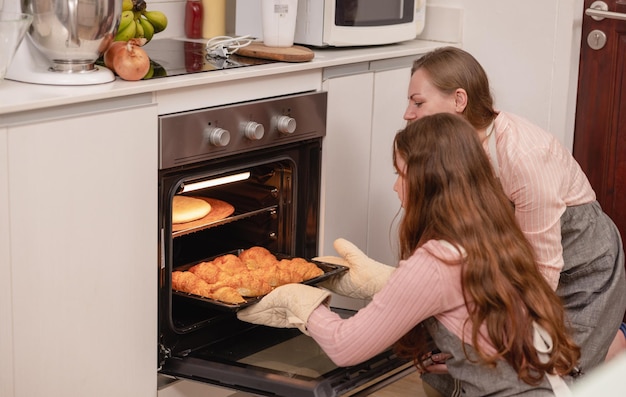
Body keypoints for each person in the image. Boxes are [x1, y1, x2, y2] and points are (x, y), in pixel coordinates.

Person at [238, 113, 581, 396]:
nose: (395, 186)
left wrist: (304, 306)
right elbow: (462, 296)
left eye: (400, 174)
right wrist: (386, 282)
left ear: (426, 182)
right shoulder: (493, 231)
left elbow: (346, 348)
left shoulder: (437, 261)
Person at [402, 46, 626, 394]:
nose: (407, 114)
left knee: (546, 382)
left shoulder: (524, 156)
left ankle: (614, 342)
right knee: (453, 374)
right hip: (521, 269)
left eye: (418, 102)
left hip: (580, 270)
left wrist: (498, 346)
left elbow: (542, 272)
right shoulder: (453, 153)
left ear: (459, 100)